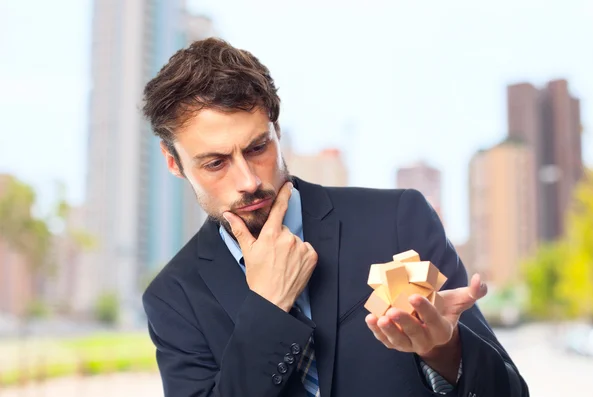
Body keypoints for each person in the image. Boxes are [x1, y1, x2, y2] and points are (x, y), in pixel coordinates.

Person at [141, 37, 528, 397]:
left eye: (258, 147)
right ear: (173, 162)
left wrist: (445, 350)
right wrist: (268, 306)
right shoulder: (173, 297)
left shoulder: (397, 221)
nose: (248, 180)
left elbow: (510, 391)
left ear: (276, 128)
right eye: (215, 163)